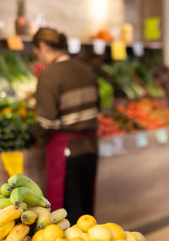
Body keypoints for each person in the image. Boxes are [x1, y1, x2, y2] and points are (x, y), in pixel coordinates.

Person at [31, 27, 99, 224]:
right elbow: (97, 109)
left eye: (37, 52)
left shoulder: (50, 75)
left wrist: (33, 133)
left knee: (67, 214)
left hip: (66, 152)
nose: (38, 58)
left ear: (43, 46)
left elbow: (48, 121)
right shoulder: (86, 70)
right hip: (91, 147)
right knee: (86, 211)